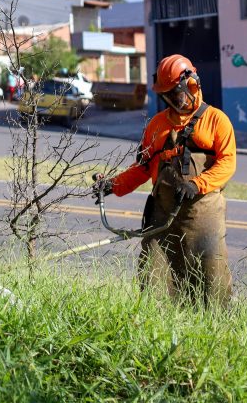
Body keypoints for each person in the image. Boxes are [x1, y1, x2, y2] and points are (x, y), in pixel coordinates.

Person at [93, 54, 236, 306]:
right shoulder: (157, 125)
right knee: (154, 278)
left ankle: (211, 330)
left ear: (192, 85)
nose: (171, 100)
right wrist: (112, 185)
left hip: (203, 216)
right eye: (166, 95)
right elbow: (143, 168)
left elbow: (227, 163)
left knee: (212, 281)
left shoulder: (217, 121)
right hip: (162, 218)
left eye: (176, 93)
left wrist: (196, 184)